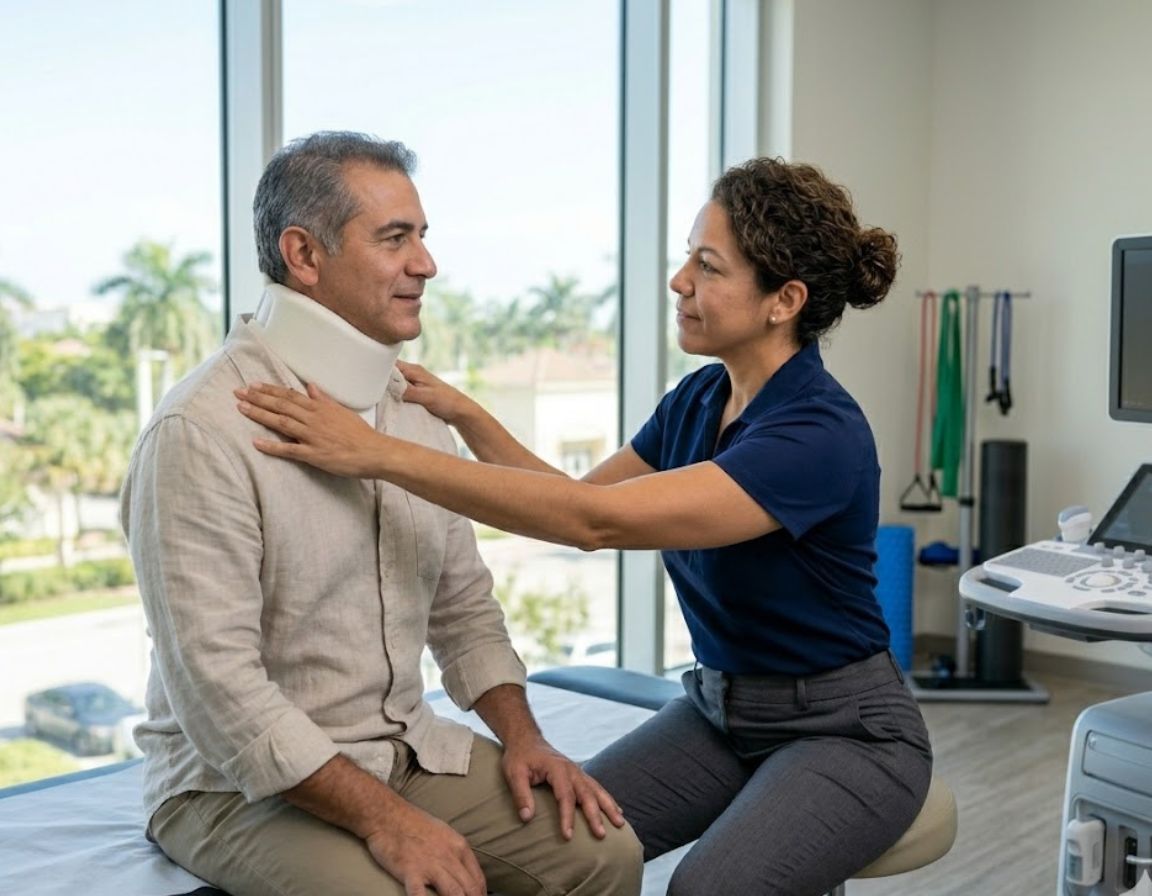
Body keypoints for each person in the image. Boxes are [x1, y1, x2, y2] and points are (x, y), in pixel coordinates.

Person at [235, 156, 935, 896]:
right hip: (721, 712)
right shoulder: (700, 399)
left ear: (782, 300)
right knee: (555, 848)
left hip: (846, 730)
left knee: (707, 890)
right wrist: (466, 415)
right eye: (686, 259)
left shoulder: (816, 434)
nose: (679, 282)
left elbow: (595, 525)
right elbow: (568, 499)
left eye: (708, 266)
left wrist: (377, 454)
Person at [120, 130, 643, 896]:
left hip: (398, 749)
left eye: (422, 237)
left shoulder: (411, 409)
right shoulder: (200, 432)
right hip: (232, 785)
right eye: (395, 239)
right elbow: (220, 690)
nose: (426, 264)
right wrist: (387, 821)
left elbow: (463, 606)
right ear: (304, 255)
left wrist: (524, 737)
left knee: (604, 854)